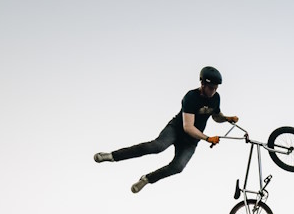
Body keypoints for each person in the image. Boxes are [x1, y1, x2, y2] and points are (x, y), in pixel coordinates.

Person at [94, 66, 239, 194]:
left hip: (191, 141)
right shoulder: (191, 97)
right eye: (210, 88)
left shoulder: (216, 98)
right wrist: (207, 138)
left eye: (215, 88)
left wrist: (226, 118)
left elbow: (216, 116)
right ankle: (112, 156)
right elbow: (188, 127)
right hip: (176, 130)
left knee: (178, 167)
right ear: (202, 84)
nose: (213, 91)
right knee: (157, 147)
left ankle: (147, 179)